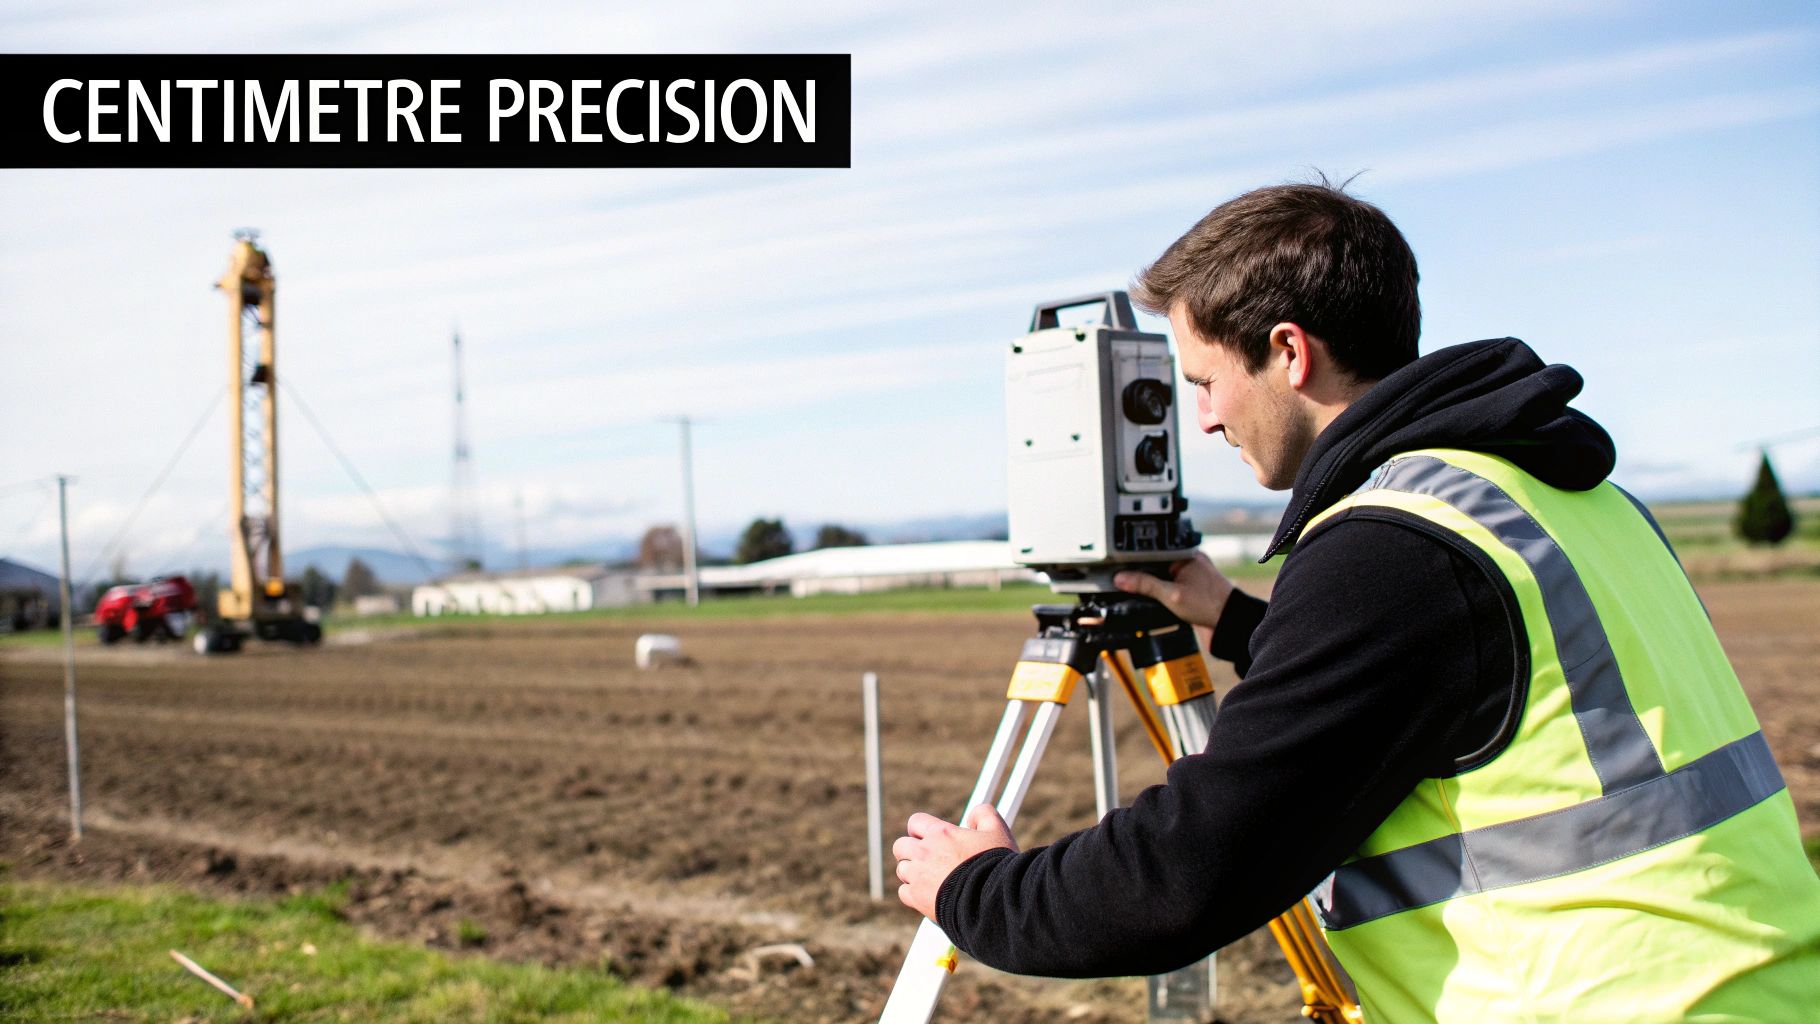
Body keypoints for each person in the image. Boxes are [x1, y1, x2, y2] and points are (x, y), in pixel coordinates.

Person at [892, 180, 1820, 1021]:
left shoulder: (1388, 552)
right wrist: (1241, 621)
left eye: (1206, 382)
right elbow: (1454, 687)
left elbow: (1190, 870)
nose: (1204, 419)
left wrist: (977, 890)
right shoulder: (1560, 495)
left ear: (1289, 352)